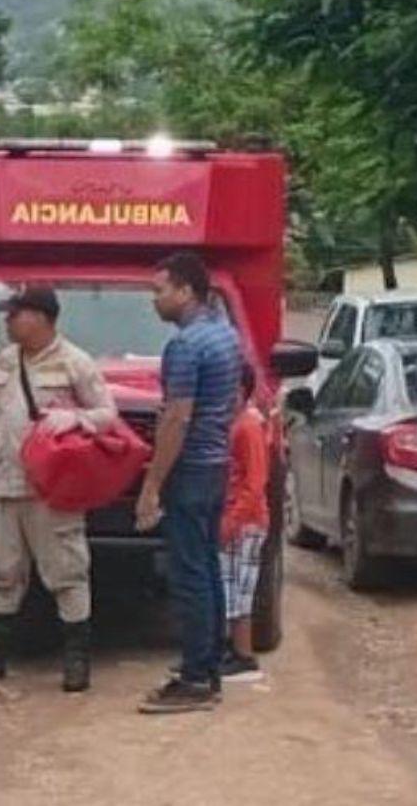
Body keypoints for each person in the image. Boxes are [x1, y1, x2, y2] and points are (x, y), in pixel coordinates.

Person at [0, 285, 117, 693]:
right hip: (6, 487)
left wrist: (78, 419)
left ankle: (76, 660)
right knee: (3, 570)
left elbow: (107, 414)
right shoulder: (6, 361)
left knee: (66, 572)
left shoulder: (75, 363)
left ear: (40, 317)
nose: (5, 321)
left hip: (51, 490)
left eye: (14, 314)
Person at [135, 252, 242, 714]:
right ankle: (208, 664)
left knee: (189, 573)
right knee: (207, 568)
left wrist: (152, 483)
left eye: (159, 291)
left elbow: (178, 417)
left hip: (192, 468)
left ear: (185, 291)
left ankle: (197, 679)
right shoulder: (225, 335)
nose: (154, 301)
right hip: (215, 463)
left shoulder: (186, 345)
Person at [218, 362, 270, 682]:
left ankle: (244, 654)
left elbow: (255, 482)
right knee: (231, 586)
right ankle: (234, 649)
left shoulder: (247, 428)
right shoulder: (237, 424)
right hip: (237, 517)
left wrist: (233, 521)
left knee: (240, 588)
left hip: (245, 521)